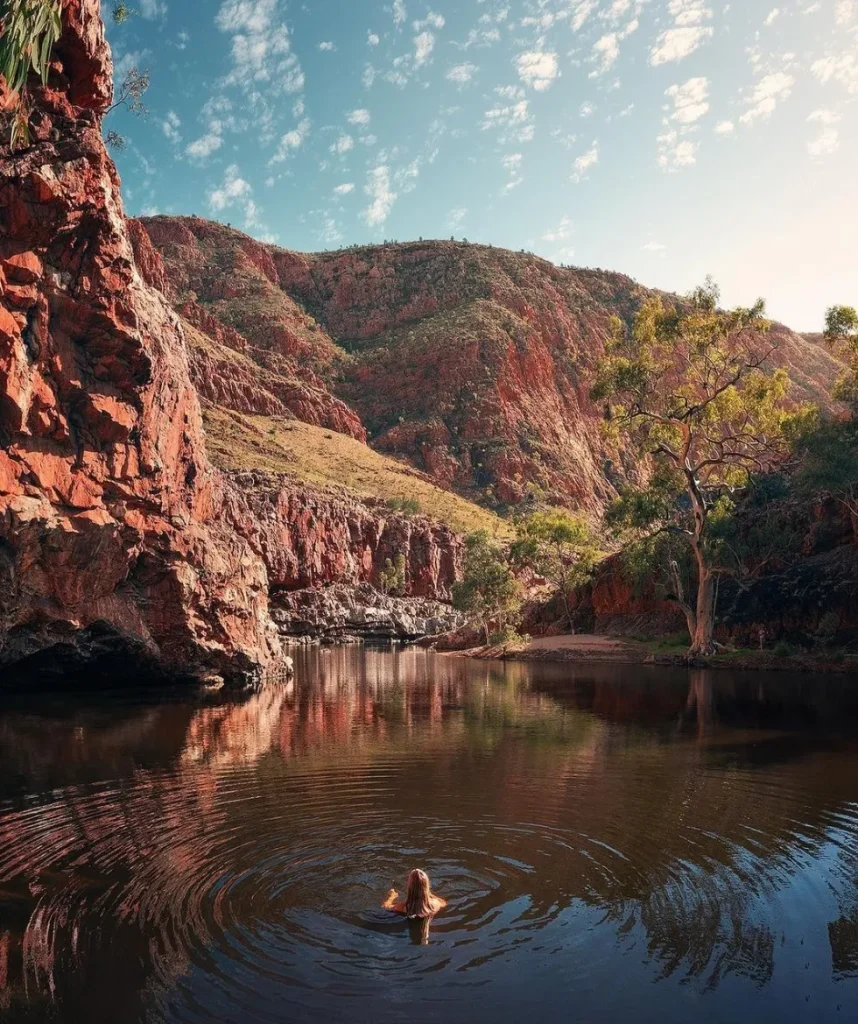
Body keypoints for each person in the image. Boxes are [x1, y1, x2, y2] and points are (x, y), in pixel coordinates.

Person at [382, 869, 447, 918]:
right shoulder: (435, 904)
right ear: (427, 885)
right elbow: (443, 903)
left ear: (409, 886)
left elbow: (385, 906)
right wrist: (427, 893)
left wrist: (392, 897)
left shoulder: (404, 907)